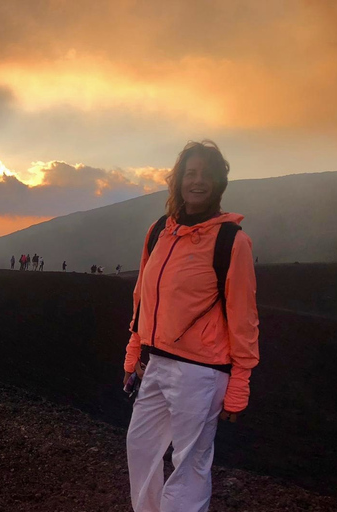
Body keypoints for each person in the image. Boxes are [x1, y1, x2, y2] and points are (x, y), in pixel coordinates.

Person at [123, 140, 259, 512]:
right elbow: (143, 297)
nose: (197, 181)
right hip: (156, 363)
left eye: (207, 175)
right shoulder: (159, 233)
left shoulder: (232, 241)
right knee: (140, 446)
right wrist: (134, 350)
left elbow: (244, 317)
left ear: (219, 183)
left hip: (201, 372)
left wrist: (240, 382)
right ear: (178, 180)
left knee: (190, 465)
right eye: (190, 173)